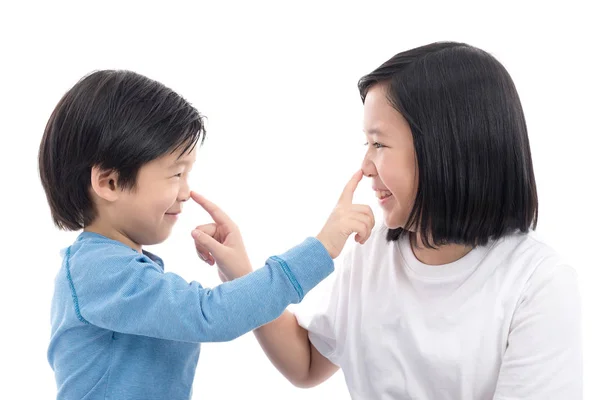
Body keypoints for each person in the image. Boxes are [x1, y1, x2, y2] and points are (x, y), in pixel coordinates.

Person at [198, 42, 582, 399]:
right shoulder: (372, 254)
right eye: (366, 144)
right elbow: (309, 363)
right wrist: (242, 275)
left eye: (379, 144)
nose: (365, 166)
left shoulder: (538, 284)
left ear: (445, 150)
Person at [39, 69, 375, 400]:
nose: (186, 192)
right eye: (176, 174)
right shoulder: (99, 271)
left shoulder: (117, 265)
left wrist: (238, 271)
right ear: (109, 182)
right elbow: (210, 315)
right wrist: (321, 249)